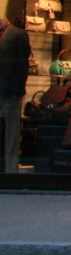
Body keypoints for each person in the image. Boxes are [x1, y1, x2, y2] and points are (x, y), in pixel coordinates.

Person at [0, 16, 31, 173]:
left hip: (10, 91)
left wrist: (17, 90)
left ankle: (11, 171)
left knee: (11, 133)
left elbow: (22, 65)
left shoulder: (18, 35)